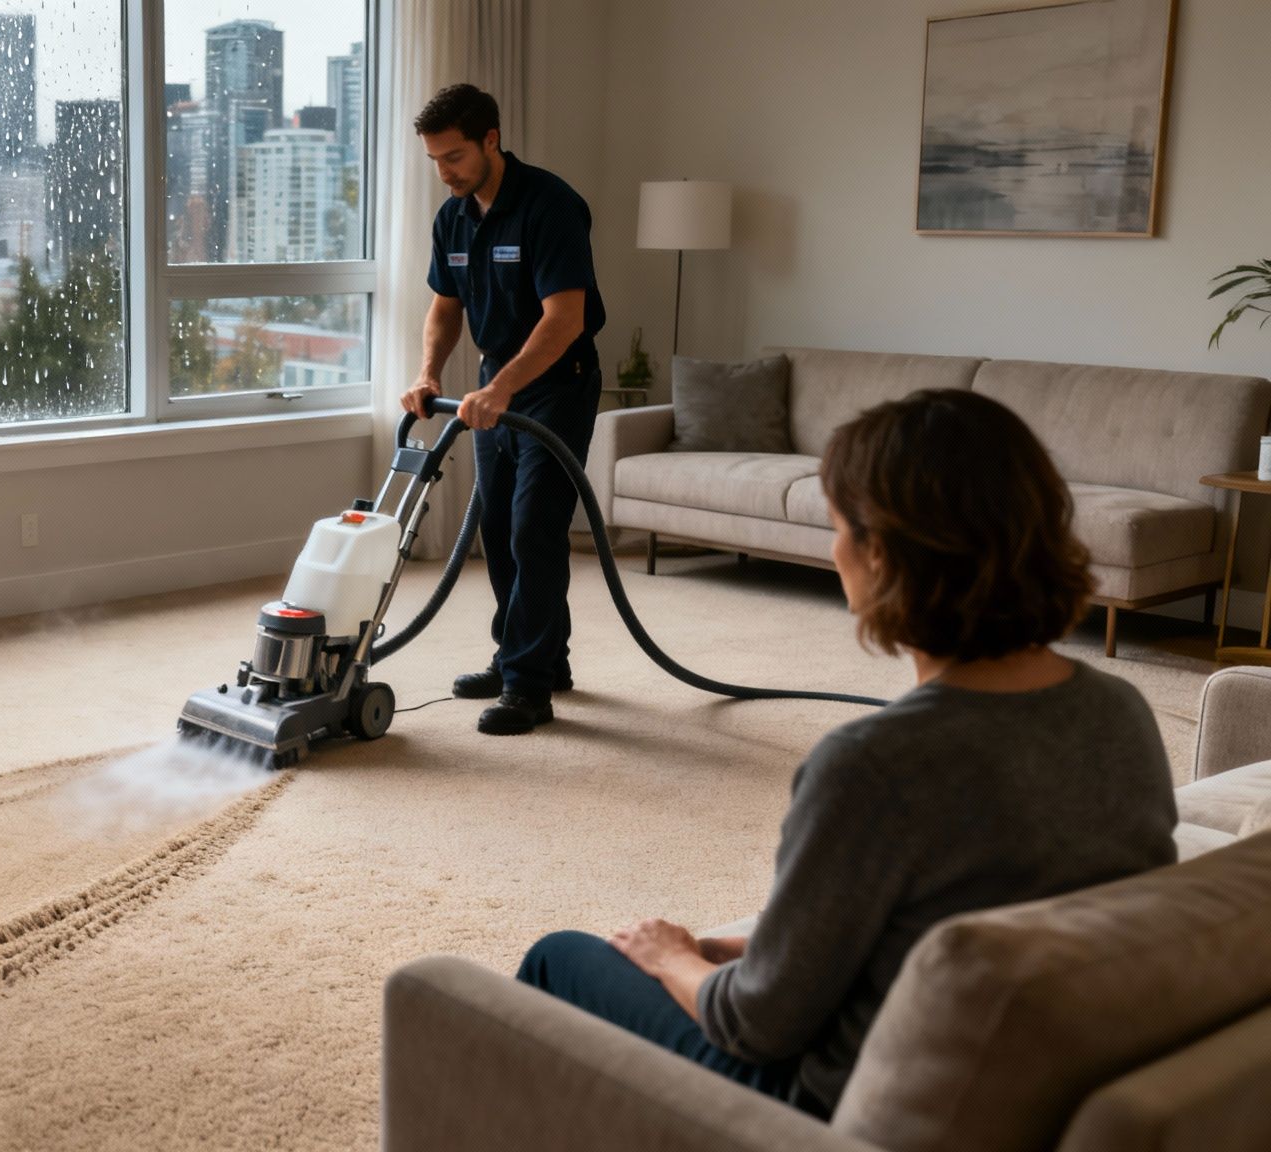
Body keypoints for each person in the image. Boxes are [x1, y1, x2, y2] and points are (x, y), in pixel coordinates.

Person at [513, 389, 1178, 1117]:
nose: (834, 551)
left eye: (837, 528)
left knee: (560, 957)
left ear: (881, 553)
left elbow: (753, 1026)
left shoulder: (875, 764)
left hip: (831, 1100)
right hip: (1032, 1081)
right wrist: (749, 953)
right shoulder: (1121, 713)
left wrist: (667, 955)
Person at [399, 84, 606, 736]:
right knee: (498, 537)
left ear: (491, 139)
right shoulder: (454, 216)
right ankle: (537, 657)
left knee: (534, 530)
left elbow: (564, 318)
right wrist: (430, 373)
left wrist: (505, 388)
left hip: (555, 383)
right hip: (494, 388)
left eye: (454, 155)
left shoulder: (550, 205)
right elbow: (445, 307)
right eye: (435, 159)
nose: (445, 171)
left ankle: (528, 686)